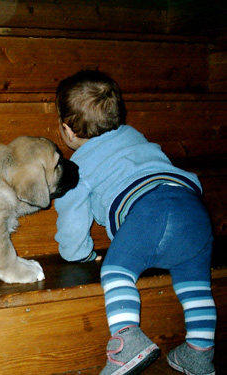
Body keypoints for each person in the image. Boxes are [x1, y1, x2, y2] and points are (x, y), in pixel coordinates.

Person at [53, 70, 216, 375]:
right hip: (194, 211)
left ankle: (127, 340)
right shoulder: (133, 136)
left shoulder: (77, 167)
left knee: (116, 271)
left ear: (67, 130)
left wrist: (79, 255)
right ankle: (199, 352)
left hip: (151, 211)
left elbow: (73, 219)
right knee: (196, 285)